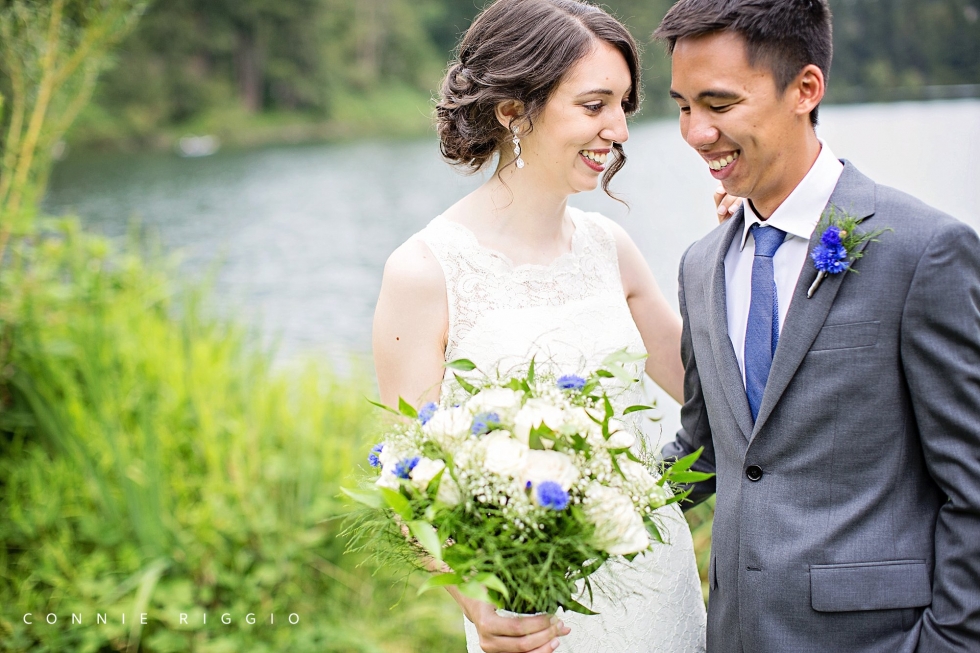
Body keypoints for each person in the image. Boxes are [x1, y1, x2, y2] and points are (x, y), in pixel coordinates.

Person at [373, 1, 714, 651]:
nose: (619, 128)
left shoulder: (611, 248)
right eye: (594, 105)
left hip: (660, 593)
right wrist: (474, 598)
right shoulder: (423, 271)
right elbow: (408, 478)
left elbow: (715, 393)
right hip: (532, 616)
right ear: (512, 110)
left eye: (623, 105)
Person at [656, 1, 980, 651]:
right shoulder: (700, 266)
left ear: (805, 89)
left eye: (718, 105)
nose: (694, 133)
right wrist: (566, 496)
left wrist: (947, 642)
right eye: (684, 106)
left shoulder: (922, 251)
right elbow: (707, 451)